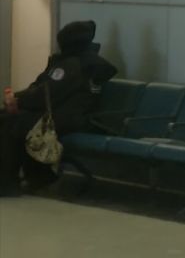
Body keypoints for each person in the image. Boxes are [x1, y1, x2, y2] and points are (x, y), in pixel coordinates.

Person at [0, 20, 117, 196]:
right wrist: (19, 99)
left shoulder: (71, 65)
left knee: (12, 123)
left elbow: (46, 93)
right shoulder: (86, 62)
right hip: (72, 116)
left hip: (67, 119)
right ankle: (35, 177)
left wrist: (17, 100)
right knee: (13, 120)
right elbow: (44, 90)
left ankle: (12, 182)